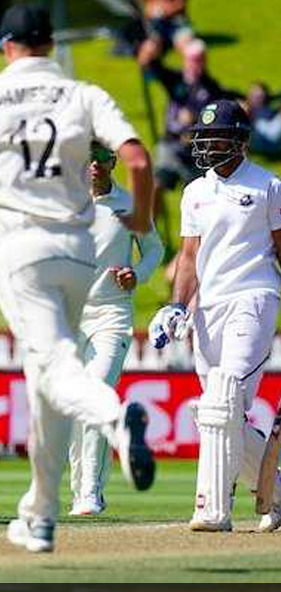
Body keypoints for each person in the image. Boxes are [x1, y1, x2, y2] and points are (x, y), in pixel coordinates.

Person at [0, 3, 156, 553]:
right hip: (81, 253)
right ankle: (40, 516)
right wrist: (140, 217)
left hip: (22, 250)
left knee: (56, 369)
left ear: (7, 44)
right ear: (51, 43)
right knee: (45, 383)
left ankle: (114, 417)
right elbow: (138, 159)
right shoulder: (83, 95)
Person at [149, 100, 281, 533]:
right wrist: (175, 304)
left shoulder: (267, 186)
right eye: (203, 139)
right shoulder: (195, 191)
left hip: (255, 297)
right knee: (217, 409)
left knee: (224, 396)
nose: (207, 146)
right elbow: (189, 257)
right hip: (208, 307)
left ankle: (212, 509)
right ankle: (274, 493)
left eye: (217, 137)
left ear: (240, 141)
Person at [68, 143, 164, 516]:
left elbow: (154, 249)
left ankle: (89, 492)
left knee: (95, 394)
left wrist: (136, 274)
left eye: (101, 157)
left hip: (112, 314)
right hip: (70, 315)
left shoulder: (128, 204)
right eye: (87, 155)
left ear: (112, 162)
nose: (93, 164)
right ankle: (83, 489)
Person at [139, 39, 227, 238]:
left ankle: (195, 241)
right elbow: (152, 68)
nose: (195, 64)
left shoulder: (211, 88)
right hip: (172, 143)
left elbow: (221, 114)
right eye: (191, 60)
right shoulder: (176, 80)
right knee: (157, 183)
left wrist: (195, 119)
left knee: (197, 197)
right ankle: (148, 235)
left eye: (199, 60)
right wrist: (150, 50)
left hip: (197, 150)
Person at [246, 82, 281, 157]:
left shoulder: (268, 108)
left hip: (271, 136)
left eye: (259, 96)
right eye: (253, 94)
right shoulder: (247, 108)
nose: (256, 97)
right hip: (258, 136)